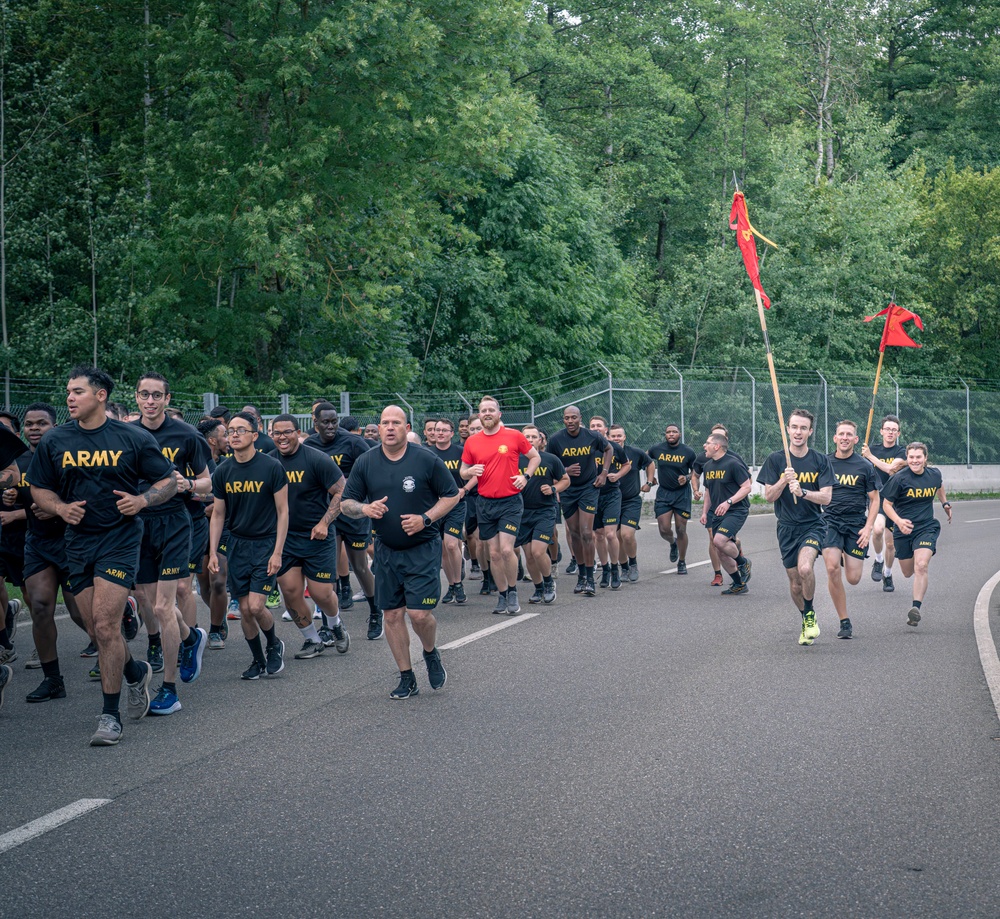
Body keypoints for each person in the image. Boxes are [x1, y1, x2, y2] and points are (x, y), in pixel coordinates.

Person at [29, 366, 176, 745]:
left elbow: (169, 480)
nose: (69, 398)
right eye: (67, 391)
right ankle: (134, 670)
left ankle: (110, 716)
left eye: (77, 391)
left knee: (107, 625)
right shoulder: (55, 440)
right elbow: (39, 489)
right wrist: (61, 509)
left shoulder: (132, 437)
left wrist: (142, 499)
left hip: (120, 538)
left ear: (100, 395)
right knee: (95, 627)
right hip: (77, 542)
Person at [341, 405, 459, 699]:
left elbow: (452, 495)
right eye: (385, 423)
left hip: (422, 548)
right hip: (386, 550)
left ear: (407, 429)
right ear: (378, 429)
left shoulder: (426, 460)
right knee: (392, 616)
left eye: (396, 422)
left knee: (419, 615)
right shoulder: (366, 462)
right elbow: (346, 504)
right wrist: (365, 508)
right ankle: (407, 677)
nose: (390, 427)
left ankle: (430, 653)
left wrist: (426, 519)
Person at [131, 372, 211, 715]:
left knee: (165, 607)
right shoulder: (126, 434)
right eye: (144, 395)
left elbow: (209, 483)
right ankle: (192, 638)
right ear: (136, 398)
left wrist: (188, 485)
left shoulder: (187, 435)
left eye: (156, 396)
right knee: (151, 604)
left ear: (167, 399)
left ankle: (169, 689)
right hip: (138, 525)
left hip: (176, 523)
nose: (150, 402)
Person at [9, 404, 90, 702]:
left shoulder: (67, 454)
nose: (34, 428)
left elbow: (86, 493)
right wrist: (13, 494)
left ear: (54, 427)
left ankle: (121, 659)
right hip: (37, 542)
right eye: (29, 423)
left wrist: (54, 509)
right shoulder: (18, 460)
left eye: (41, 423)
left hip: (71, 540)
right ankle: (52, 679)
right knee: (41, 606)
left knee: (80, 612)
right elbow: (18, 492)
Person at [208, 412, 289, 680]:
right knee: (243, 609)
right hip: (237, 545)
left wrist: (278, 552)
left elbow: (283, 511)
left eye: (241, 430)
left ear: (255, 435)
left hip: (265, 544)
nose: (234, 434)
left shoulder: (271, 467)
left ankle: (274, 644)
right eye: (230, 430)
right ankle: (257, 660)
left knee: (255, 607)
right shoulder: (223, 471)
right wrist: (212, 553)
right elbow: (218, 514)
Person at [269, 414, 350, 657]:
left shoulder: (316, 459)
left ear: (297, 432)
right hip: (286, 538)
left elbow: (341, 491)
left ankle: (335, 625)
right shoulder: (269, 463)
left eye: (287, 432)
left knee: (321, 593)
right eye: (277, 433)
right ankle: (312, 639)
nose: (282, 437)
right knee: (291, 593)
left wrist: (325, 522)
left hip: (318, 536)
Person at [303, 402, 381, 638]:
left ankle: (376, 611)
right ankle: (329, 624)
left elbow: (372, 467)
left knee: (359, 566)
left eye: (334, 421)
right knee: (329, 571)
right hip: (327, 516)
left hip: (354, 513)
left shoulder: (353, 442)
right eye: (325, 422)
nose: (331, 426)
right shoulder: (310, 445)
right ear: (315, 422)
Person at [757, 410, 834, 646]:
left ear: (810, 431)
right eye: (794, 427)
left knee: (804, 568)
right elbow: (769, 497)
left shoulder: (820, 460)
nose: (798, 432)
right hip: (786, 528)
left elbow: (827, 498)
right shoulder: (776, 460)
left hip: (812, 524)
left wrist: (804, 492)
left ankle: (810, 613)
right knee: (794, 583)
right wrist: (783, 479)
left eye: (803, 428)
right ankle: (805, 618)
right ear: (787, 430)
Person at [461, 397, 540, 614]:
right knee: (493, 554)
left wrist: (526, 476)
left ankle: (513, 591)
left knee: (506, 550)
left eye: (491, 410)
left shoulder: (513, 436)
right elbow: (463, 470)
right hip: (485, 502)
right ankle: (503, 595)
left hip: (510, 501)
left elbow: (535, 457)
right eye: (483, 410)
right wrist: (469, 472)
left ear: (499, 414)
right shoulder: (472, 442)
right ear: (479, 415)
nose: (487, 413)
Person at [881, 442, 952, 626]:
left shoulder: (934, 474)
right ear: (907, 458)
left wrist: (944, 503)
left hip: (926, 527)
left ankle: (915, 609)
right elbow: (886, 505)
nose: (914, 461)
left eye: (918, 457)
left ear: (925, 458)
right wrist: (898, 522)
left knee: (921, 565)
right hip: (903, 530)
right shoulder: (899, 479)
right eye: (911, 457)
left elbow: (939, 486)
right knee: (906, 572)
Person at [546, 405, 613, 597]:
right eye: (566, 418)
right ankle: (581, 576)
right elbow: (551, 463)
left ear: (580, 418)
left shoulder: (592, 436)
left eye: (573, 417)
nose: (570, 421)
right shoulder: (556, 439)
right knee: (574, 533)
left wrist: (604, 474)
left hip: (589, 488)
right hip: (568, 489)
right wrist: (564, 472)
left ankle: (591, 579)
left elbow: (608, 450)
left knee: (586, 532)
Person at [821, 421, 879, 639]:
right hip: (830, 521)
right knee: (832, 567)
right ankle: (844, 621)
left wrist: (868, 528)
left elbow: (875, 500)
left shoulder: (865, 466)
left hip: (856, 524)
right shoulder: (824, 462)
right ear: (835, 438)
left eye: (849, 435)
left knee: (853, 578)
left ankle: (845, 554)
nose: (845, 437)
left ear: (855, 440)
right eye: (841, 434)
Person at [517, 426, 569, 603]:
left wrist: (553, 488)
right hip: (521, 512)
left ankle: (548, 583)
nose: (530, 439)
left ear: (540, 440)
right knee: (529, 555)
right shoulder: (514, 460)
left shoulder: (550, 459)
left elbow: (566, 480)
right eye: (527, 437)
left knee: (538, 551)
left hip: (545, 510)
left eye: (534, 436)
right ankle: (538, 588)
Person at [699, 432, 753, 596]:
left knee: (719, 540)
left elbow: (747, 487)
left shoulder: (733, 464)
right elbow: (708, 492)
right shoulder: (707, 466)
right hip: (717, 512)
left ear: (717, 446)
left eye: (707, 443)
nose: (704, 446)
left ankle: (743, 562)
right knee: (720, 549)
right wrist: (704, 512)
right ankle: (739, 584)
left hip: (736, 510)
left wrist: (729, 502)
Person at [195, 417, 231, 648]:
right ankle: (220, 614)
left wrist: (218, 506)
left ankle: (215, 628)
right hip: (198, 527)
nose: (229, 438)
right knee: (205, 585)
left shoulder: (228, 465)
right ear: (212, 440)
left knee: (218, 581)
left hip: (222, 527)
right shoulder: (193, 463)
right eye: (224, 434)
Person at [861, 415, 907, 592]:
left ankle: (888, 574)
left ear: (898, 433)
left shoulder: (901, 452)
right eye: (887, 429)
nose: (890, 432)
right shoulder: (872, 449)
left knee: (891, 544)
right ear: (881, 431)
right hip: (878, 499)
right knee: (878, 529)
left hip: (895, 500)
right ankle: (878, 560)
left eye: (894, 430)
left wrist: (870, 457)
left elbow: (891, 469)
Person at [647, 424, 697, 575]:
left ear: (679, 434)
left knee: (681, 529)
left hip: (682, 493)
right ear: (665, 434)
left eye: (674, 432)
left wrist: (687, 477)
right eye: (668, 432)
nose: (671, 434)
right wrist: (651, 477)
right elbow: (645, 460)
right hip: (664, 492)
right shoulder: (657, 449)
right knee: (664, 529)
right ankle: (672, 543)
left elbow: (696, 470)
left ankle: (682, 561)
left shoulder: (688, 452)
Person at [588, 417, 630, 590]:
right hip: (592, 495)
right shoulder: (586, 448)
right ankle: (604, 568)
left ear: (606, 429)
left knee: (611, 534)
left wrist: (618, 475)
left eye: (599, 425)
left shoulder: (614, 448)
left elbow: (626, 465)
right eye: (592, 426)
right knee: (598, 534)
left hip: (612, 493)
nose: (596, 428)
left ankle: (615, 568)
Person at [433, 418, 472, 605]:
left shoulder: (461, 452)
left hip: (456, 505)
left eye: (444, 430)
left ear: (451, 433)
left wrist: (465, 489)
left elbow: (477, 475)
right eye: (437, 430)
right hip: (436, 507)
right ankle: (451, 584)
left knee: (451, 544)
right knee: (443, 549)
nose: (440, 433)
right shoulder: (427, 453)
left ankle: (459, 584)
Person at [610, 424, 654, 582]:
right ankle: (624, 568)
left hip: (631, 500)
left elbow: (650, 463)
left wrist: (649, 482)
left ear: (624, 437)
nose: (616, 439)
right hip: (611, 501)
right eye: (613, 436)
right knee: (616, 537)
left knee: (626, 535)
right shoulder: (605, 454)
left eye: (619, 436)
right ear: (608, 437)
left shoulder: (635, 453)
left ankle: (633, 563)